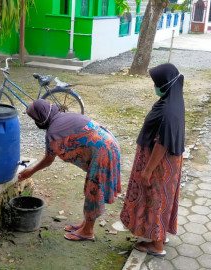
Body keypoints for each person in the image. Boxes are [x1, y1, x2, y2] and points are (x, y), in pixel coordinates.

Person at [18, 99, 121, 242]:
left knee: (93, 190)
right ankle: (85, 224)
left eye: (34, 119)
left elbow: (49, 160)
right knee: (90, 187)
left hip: (103, 152)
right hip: (110, 144)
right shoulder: (63, 117)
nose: (35, 122)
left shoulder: (53, 133)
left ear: (41, 117)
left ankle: (87, 231)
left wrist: (31, 171)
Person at [120, 63, 185, 257]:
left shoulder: (168, 111)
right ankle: (160, 234)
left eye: (156, 83)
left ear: (165, 83)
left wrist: (147, 170)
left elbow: (162, 143)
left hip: (159, 164)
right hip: (164, 162)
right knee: (161, 199)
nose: (154, 87)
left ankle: (157, 246)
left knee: (156, 199)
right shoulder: (173, 99)